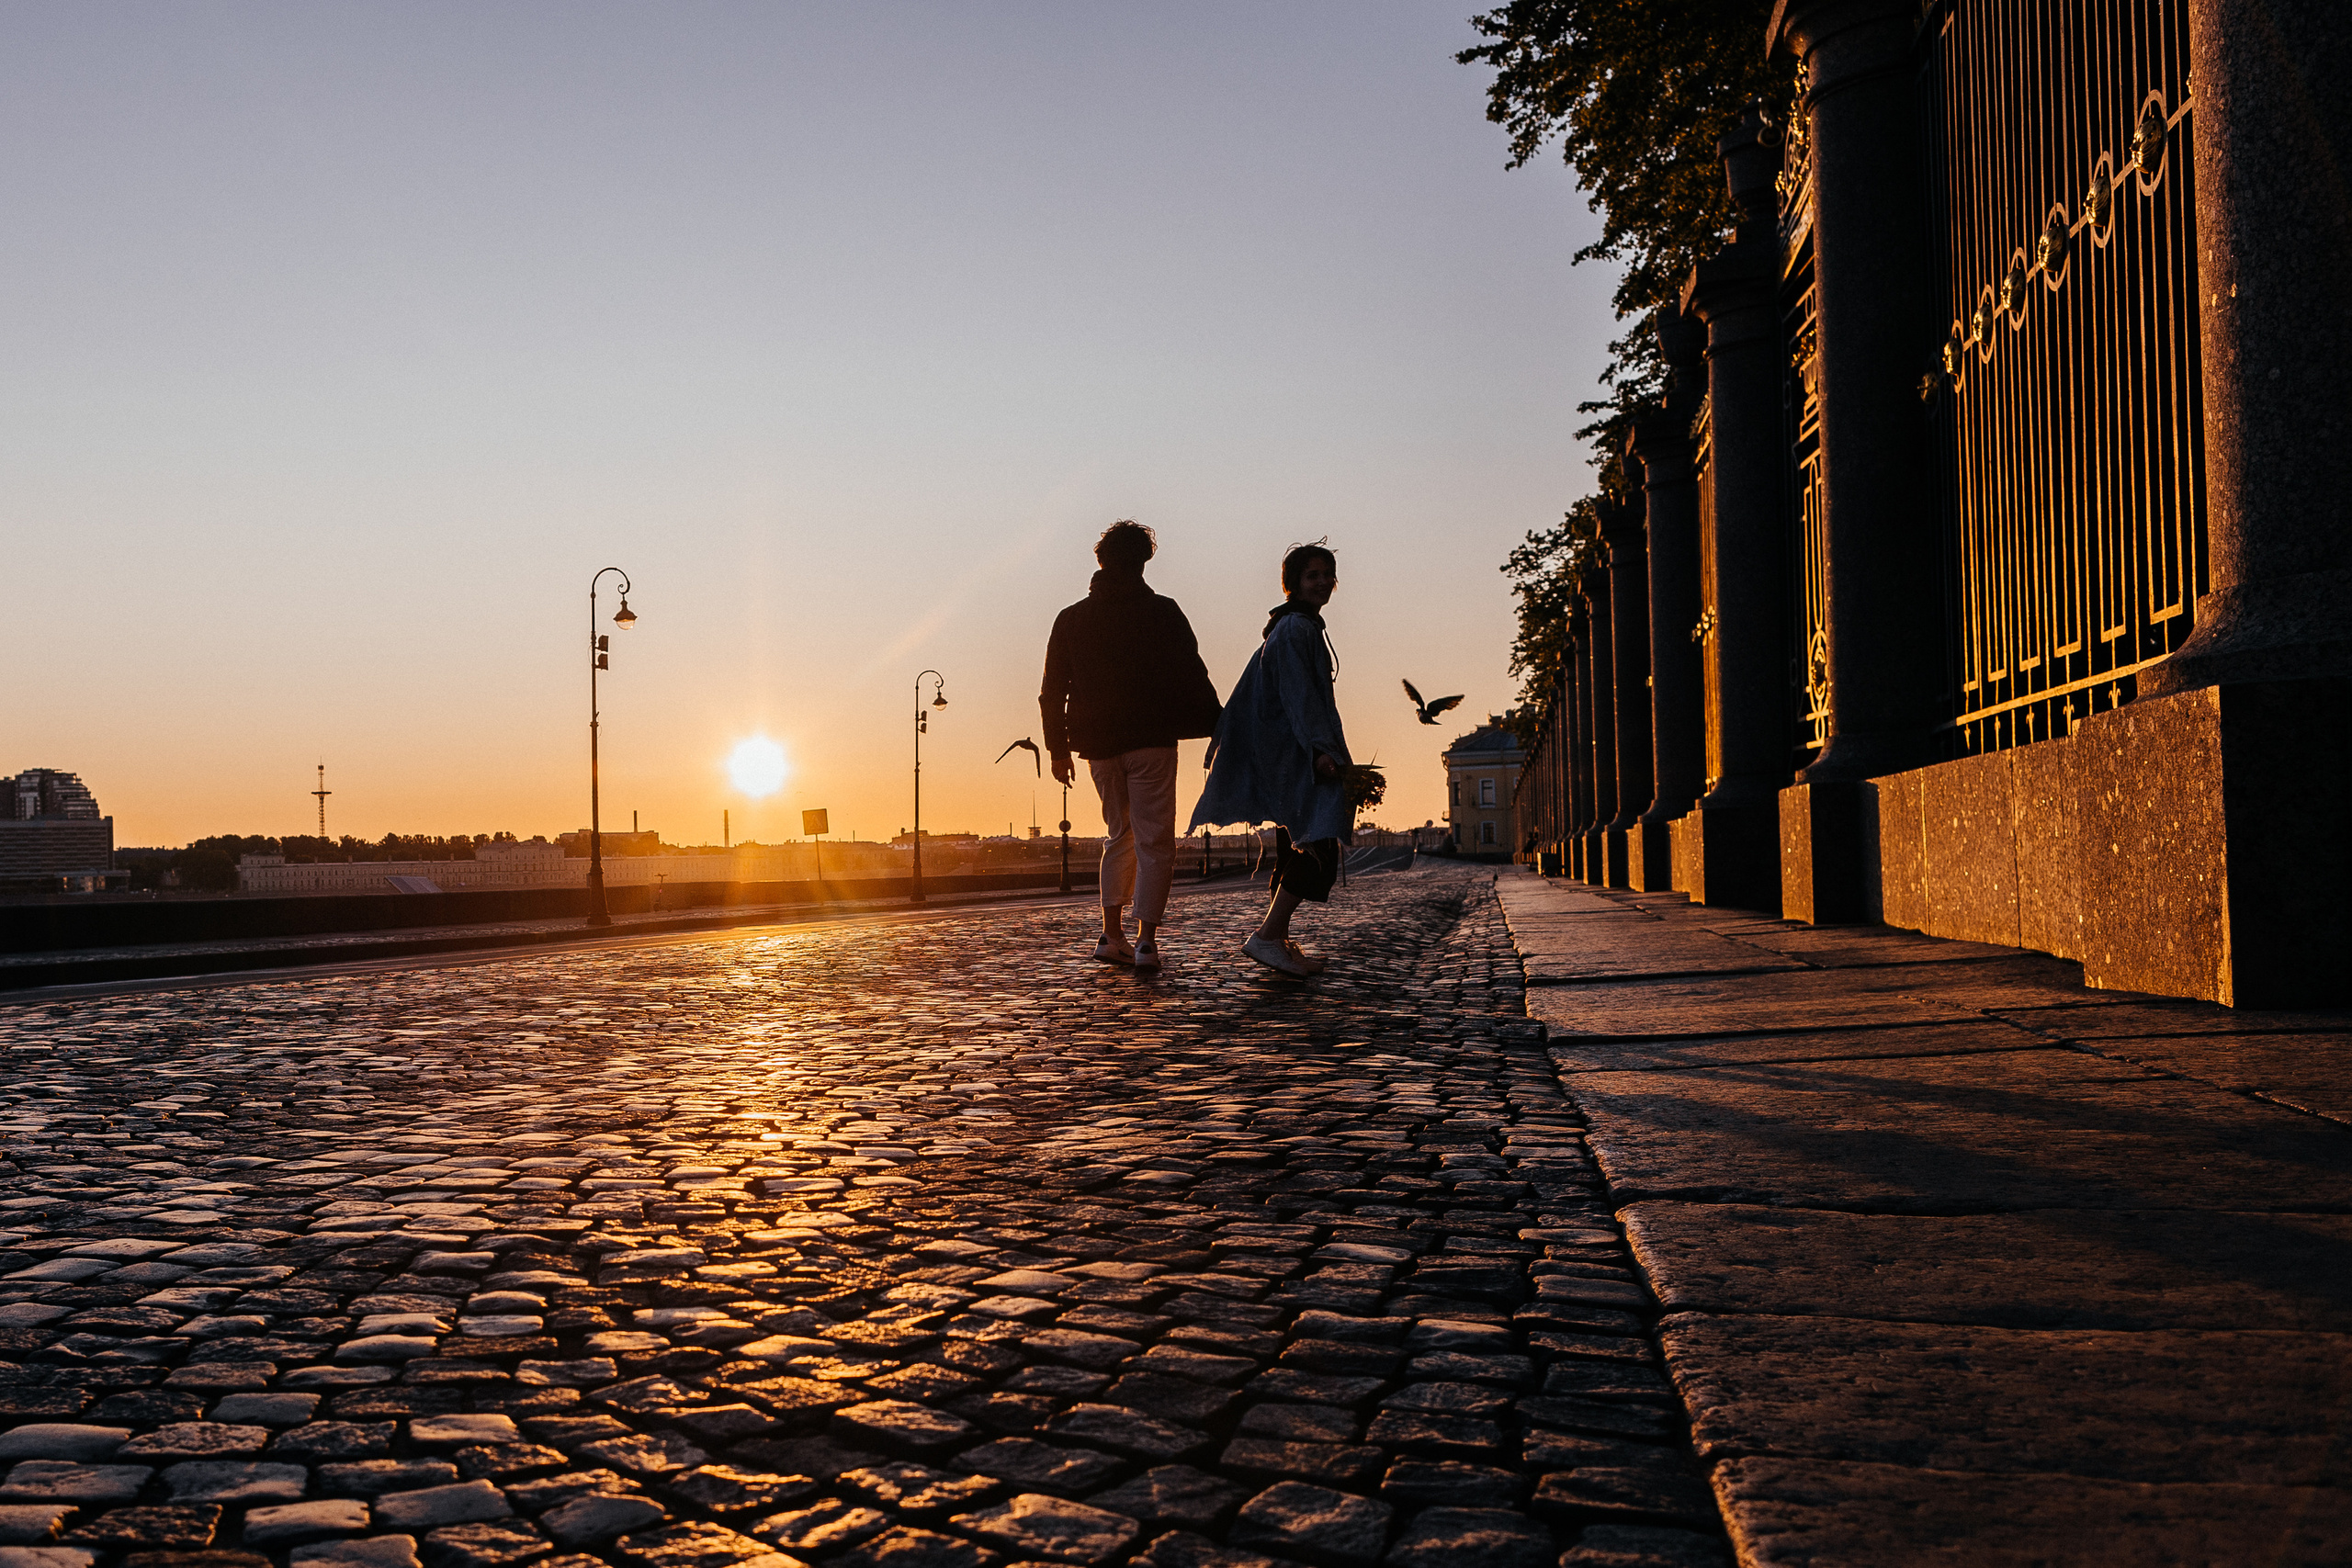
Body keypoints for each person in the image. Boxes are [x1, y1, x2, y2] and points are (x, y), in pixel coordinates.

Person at [1040, 520, 1222, 971]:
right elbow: (1193, 675)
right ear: (1144, 561)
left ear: (1101, 561)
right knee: (1154, 840)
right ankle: (1145, 942)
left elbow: (1052, 692)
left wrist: (1058, 750)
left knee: (1117, 835)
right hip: (1151, 741)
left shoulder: (1071, 618)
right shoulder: (1163, 612)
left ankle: (1110, 934)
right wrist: (1219, 728)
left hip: (1098, 746)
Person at [1189, 539, 1351, 977]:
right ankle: (1266, 936)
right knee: (1317, 844)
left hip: (1283, 754)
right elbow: (1302, 698)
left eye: (1328, 575)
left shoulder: (1291, 626)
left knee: (1294, 846)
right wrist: (1321, 751)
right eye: (1312, 575)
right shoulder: (1297, 628)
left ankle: (1276, 940)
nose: (1323, 582)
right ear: (1292, 583)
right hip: (1296, 755)